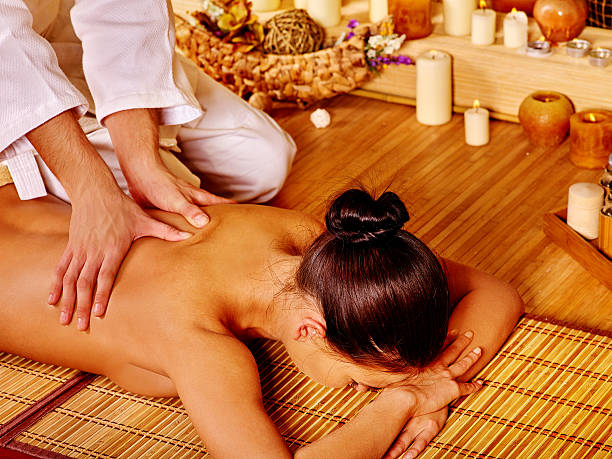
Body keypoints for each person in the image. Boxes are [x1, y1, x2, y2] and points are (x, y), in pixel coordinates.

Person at [0, 184, 524, 458]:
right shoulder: (200, 341)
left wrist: (435, 375)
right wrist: (405, 401)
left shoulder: (332, 248)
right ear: (309, 331)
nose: (352, 392)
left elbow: (496, 291)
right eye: (357, 382)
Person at [0, 0, 296, 331]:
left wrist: (143, 164)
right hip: (7, 79)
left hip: (67, 33)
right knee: (146, 236)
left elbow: (121, 8)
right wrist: (93, 191)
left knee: (262, 162)